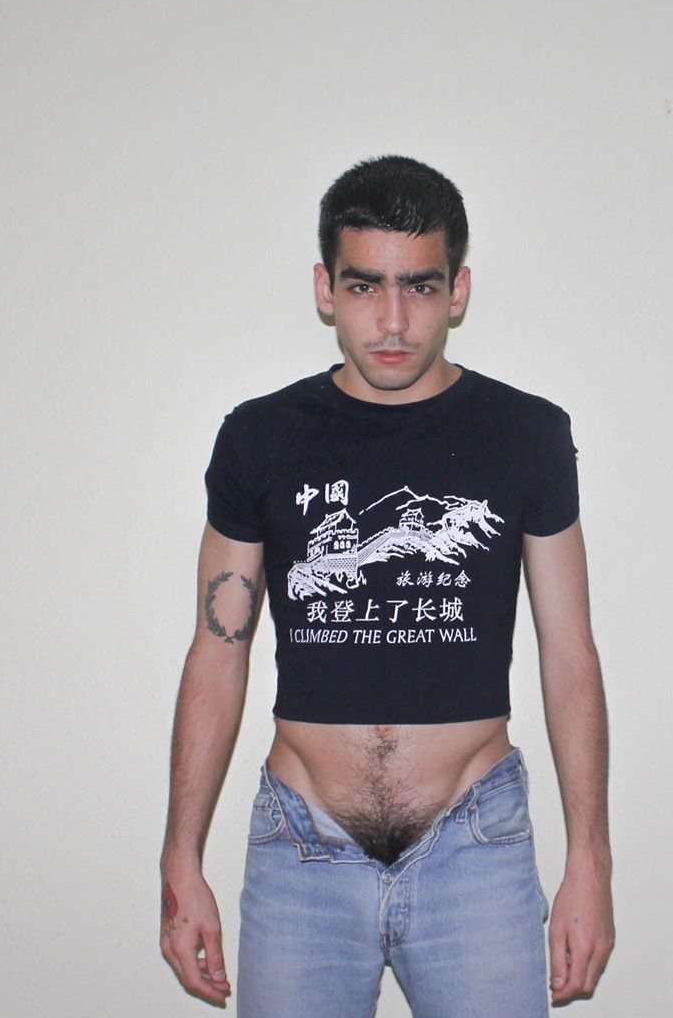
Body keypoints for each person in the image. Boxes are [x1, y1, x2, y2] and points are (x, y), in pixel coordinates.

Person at [159, 156, 614, 1015]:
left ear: (458, 290)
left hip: (474, 844)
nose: (394, 320)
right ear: (326, 289)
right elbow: (218, 651)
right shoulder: (260, 437)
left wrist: (590, 862)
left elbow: (570, 653)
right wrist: (180, 858)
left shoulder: (527, 434)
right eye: (365, 286)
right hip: (302, 848)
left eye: (421, 287)